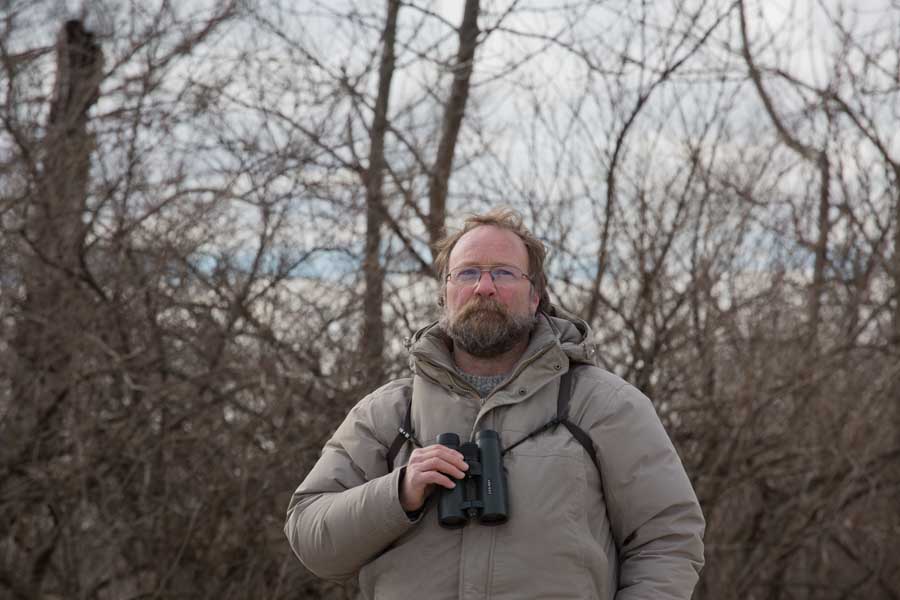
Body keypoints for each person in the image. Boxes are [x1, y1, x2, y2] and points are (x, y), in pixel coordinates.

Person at [284, 208, 705, 599]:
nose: (483, 287)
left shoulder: (603, 405)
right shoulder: (388, 413)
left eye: (503, 273)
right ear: (445, 293)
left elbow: (667, 540)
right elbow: (310, 536)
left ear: (535, 295)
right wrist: (399, 493)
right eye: (467, 273)